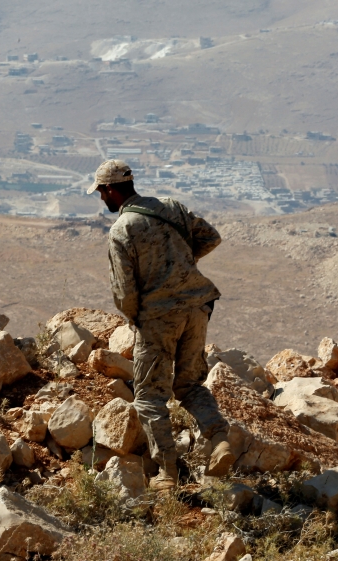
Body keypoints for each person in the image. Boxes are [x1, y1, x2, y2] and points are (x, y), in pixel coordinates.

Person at [90, 159, 234, 491]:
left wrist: (136, 317)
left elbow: (125, 293)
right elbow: (210, 237)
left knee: (149, 396)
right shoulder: (170, 207)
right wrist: (181, 265)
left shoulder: (121, 230)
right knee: (189, 384)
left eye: (101, 192)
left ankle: (167, 473)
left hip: (159, 318)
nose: (101, 198)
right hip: (197, 306)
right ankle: (220, 439)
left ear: (111, 189)